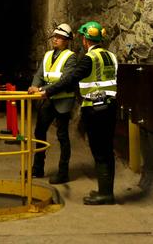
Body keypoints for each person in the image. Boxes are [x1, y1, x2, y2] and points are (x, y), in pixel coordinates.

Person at [38, 21, 118, 205]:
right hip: (110, 106)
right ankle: (106, 190)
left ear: (84, 39)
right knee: (106, 149)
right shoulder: (110, 57)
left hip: (95, 109)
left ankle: (105, 194)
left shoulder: (90, 58)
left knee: (99, 151)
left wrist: (47, 91)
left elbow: (71, 78)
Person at [27, 23, 76, 184]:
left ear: (67, 40)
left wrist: (43, 90)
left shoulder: (70, 57)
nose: (56, 39)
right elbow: (40, 73)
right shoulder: (48, 55)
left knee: (62, 137)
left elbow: (65, 81)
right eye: (55, 36)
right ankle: (37, 169)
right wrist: (35, 85)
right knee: (39, 133)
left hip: (62, 101)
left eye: (60, 37)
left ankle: (63, 173)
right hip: (48, 100)